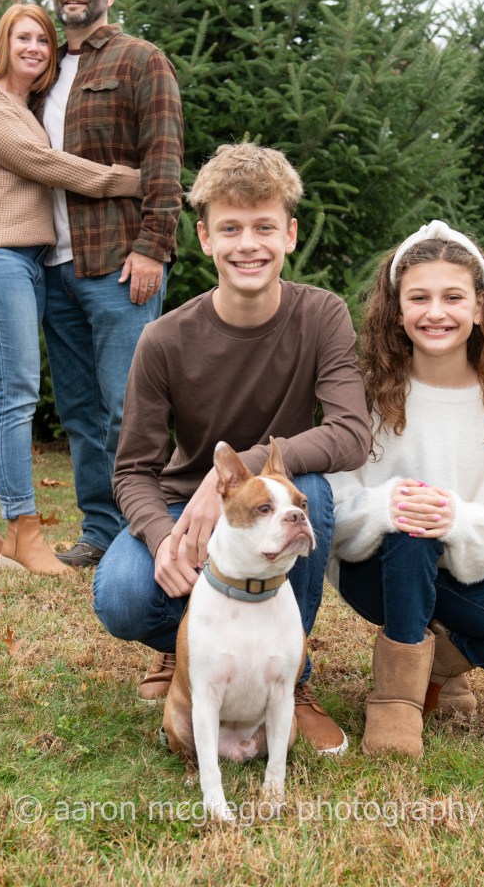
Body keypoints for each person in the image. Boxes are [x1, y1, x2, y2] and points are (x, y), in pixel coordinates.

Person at [92, 143, 372, 754]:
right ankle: (188, 651)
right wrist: (160, 538)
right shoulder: (164, 339)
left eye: (264, 226)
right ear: (204, 238)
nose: (249, 244)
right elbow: (133, 469)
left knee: (308, 492)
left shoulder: (322, 315)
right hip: (184, 510)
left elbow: (352, 433)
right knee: (121, 596)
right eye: (231, 228)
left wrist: (239, 472)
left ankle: (290, 681)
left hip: (266, 499)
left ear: (290, 234)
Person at [0, 0, 184, 569]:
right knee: (78, 410)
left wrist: (153, 246)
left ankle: (144, 535)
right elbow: (8, 141)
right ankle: (100, 532)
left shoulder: (140, 61)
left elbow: (163, 159)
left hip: (119, 261)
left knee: (128, 406)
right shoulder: (40, 78)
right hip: (50, 267)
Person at [326, 219, 484, 759]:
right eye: (419, 297)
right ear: (398, 310)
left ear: (480, 307)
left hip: (460, 577)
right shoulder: (368, 395)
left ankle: (443, 656)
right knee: (411, 529)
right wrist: (389, 505)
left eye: (453, 297)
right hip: (375, 572)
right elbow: (337, 511)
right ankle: (397, 699)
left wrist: (455, 519)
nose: (435, 312)